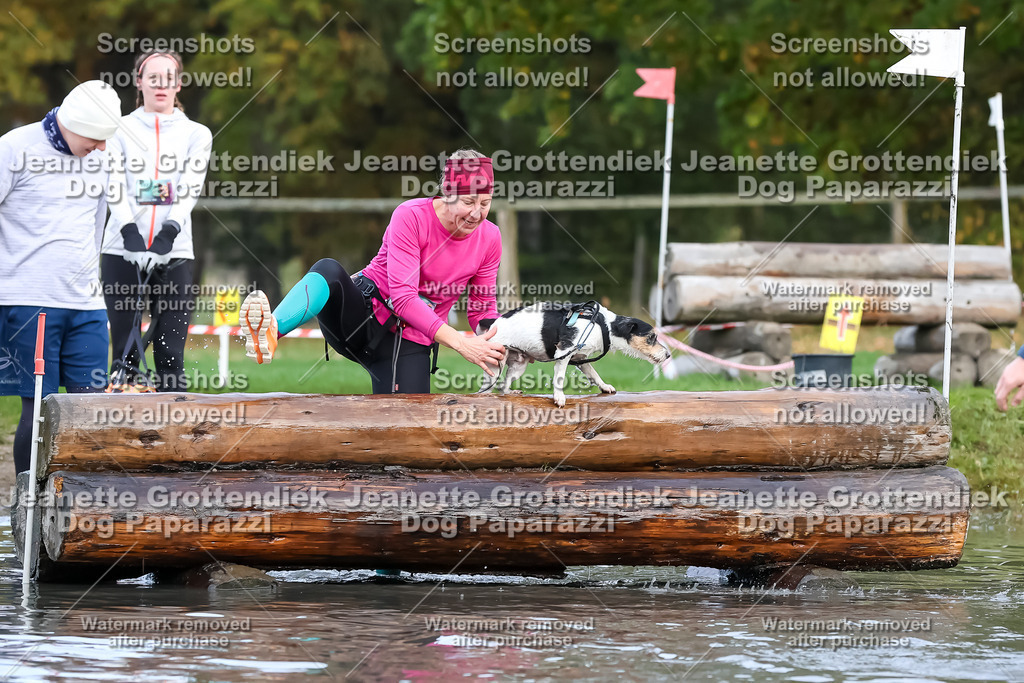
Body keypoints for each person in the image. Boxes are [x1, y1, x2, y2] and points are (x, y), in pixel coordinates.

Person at [240, 150, 506, 393]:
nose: (477, 213)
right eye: (469, 201)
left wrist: (505, 339)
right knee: (328, 269)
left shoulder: (491, 237)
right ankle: (271, 330)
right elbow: (404, 299)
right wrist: (462, 344)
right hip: (362, 317)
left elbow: (482, 311)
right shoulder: (410, 215)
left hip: (409, 343)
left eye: (485, 203)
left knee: (407, 432)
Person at [0, 80, 122, 473]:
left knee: (92, 412)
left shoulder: (105, 155)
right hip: (29, 303)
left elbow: (98, 223)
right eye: (97, 138)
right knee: (39, 412)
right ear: (74, 123)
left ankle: (77, 513)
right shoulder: (14, 148)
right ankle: (26, 511)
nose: (102, 147)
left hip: (87, 305)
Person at [101, 50, 212, 391]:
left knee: (169, 355)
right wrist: (129, 231)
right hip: (122, 250)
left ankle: (174, 435)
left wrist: (169, 232)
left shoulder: (197, 134)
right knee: (126, 355)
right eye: (153, 77)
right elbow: (114, 183)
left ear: (178, 84)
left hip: (174, 250)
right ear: (139, 82)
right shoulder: (117, 129)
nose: (160, 85)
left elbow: (190, 186)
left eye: (168, 78)